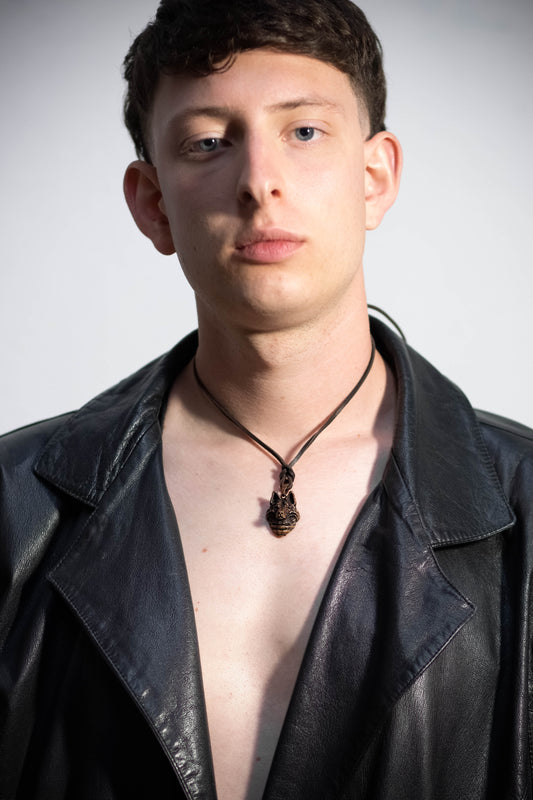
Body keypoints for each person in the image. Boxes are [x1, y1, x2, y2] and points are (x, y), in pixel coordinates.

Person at [0, 0, 532, 798]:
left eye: (304, 131)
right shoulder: (16, 505)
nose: (258, 182)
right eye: (209, 142)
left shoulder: (522, 501)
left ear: (374, 177)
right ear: (152, 204)